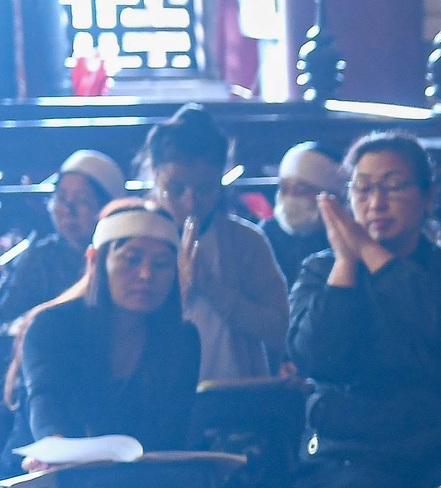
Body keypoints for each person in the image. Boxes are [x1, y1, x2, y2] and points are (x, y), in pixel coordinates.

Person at [288, 131, 441, 488]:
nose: (375, 203)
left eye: (393, 186)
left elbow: (437, 322)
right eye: (362, 188)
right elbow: (315, 357)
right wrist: (347, 263)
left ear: (427, 195)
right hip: (347, 456)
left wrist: (370, 252)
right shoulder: (321, 270)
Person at [0, 201, 201, 488]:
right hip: (48, 487)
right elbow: (48, 420)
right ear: (96, 260)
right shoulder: (52, 326)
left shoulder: (182, 338)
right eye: (131, 259)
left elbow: (169, 437)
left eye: (161, 264)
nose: (145, 275)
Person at [141, 105, 289, 382]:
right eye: (176, 189)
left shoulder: (247, 241)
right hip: (157, 395)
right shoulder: (133, 241)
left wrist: (212, 288)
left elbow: (280, 330)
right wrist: (180, 287)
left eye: (205, 189)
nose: (191, 202)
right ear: (153, 172)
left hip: (237, 394)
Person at [0, 150, 124, 332]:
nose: (68, 210)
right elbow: (9, 317)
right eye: (62, 198)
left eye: (82, 201)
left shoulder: (125, 257)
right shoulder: (41, 258)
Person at [261, 143, 345, 288]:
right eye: (284, 188)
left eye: (300, 190)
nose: (290, 197)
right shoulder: (266, 235)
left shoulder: (344, 240)